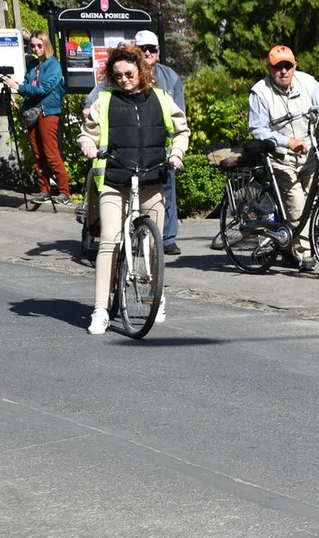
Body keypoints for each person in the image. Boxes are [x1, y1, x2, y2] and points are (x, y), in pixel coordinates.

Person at [78, 44, 189, 335]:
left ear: (141, 70)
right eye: (118, 75)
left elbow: (181, 130)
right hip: (115, 179)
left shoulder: (161, 99)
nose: (124, 79)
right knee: (110, 242)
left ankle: (157, 296)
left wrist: (177, 153)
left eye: (129, 73)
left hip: (152, 177)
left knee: (153, 245)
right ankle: (100, 310)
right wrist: (88, 145)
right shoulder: (105, 101)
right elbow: (87, 133)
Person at [83, 30, 186, 255]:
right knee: (110, 209)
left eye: (152, 48)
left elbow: (180, 116)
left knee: (165, 191)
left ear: (158, 52)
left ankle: (166, 238)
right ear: (137, 52)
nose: (148, 52)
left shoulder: (170, 77)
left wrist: (177, 151)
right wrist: (90, 115)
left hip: (158, 149)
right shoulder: (119, 73)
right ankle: (105, 238)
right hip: (121, 156)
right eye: (144, 49)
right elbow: (94, 100)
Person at [245, 45, 319, 271]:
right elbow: (258, 129)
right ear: (269, 68)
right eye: (278, 67)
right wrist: (287, 142)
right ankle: (305, 256)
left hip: (309, 156)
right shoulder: (260, 92)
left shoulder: (309, 83)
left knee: (309, 205)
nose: (284, 71)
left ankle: (287, 248)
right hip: (280, 158)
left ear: (295, 66)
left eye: (288, 66)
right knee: (296, 205)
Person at [0, 31, 71, 205]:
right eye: (32, 45)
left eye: (39, 45)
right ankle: (44, 190)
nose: (36, 48)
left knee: (50, 152)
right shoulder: (33, 65)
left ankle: (65, 193)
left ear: (46, 45)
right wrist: (17, 84)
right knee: (37, 153)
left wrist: (18, 87)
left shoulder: (53, 64)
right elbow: (28, 83)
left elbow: (43, 89)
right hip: (32, 111)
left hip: (48, 111)